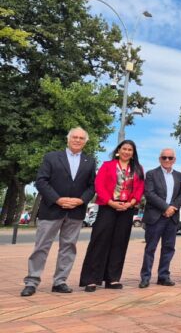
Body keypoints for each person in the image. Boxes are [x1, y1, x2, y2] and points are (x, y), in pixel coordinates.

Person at [21, 127, 96, 297]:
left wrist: (81, 200)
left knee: (68, 247)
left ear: (85, 141)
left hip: (75, 212)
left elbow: (92, 186)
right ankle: (32, 281)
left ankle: (60, 281)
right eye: (74, 137)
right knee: (41, 246)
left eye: (81, 138)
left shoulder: (89, 161)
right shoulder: (52, 157)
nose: (77, 140)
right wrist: (58, 199)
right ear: (68, 139)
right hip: (52, 209)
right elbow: (41, 181)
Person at [79, 139, 145, 292]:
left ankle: (112, 278)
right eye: (124, 149)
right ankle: (91, 279)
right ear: (118, 150)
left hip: (127, 208)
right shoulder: (107, 165)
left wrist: (131, 203)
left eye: (130, 150)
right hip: (107, 207)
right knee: (99, 241)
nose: (126, 152)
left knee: (119, 243)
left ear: (133, 153)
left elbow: (140, 187)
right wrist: (110, 202)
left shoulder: (138, 168)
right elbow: (99, 185)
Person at [139, 148, 181, 288]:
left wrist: (173, 208)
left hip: (172, 217)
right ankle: (145, 277)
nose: (167, 160)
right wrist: (166, 207)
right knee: (150, 248)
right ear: (159, 159)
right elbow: (149, 194)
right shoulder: (151, 174)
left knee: (169, 248)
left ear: (174, 160)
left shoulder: (180, 176)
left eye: (170, 158)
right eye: (164, 157)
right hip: (155, 217)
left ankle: (163, 276)